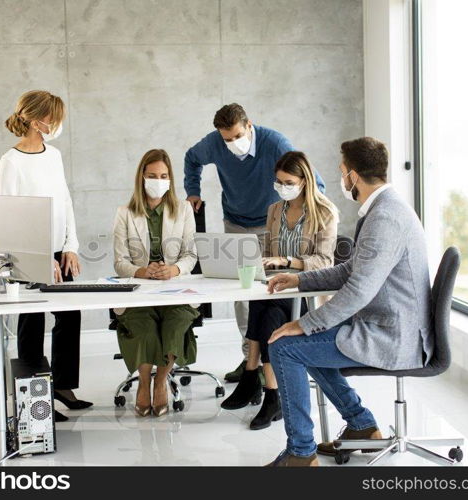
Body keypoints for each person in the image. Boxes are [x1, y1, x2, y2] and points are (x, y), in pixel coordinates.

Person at [263, 137, 435, 466]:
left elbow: (359, 290)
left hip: (394, 336)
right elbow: (351, 269)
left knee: (285, 346)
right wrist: (299, 278)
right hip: (387, 323)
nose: (341, 179)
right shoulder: (385, 209)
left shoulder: (385, 218)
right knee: (301, 342)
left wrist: (304, 322)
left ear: (353, 176)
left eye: (343, 171)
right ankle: (361, 425)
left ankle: (300, 456)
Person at [184, 103, 326, 382]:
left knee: (271, 293)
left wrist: (306, 219)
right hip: (236, 222)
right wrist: (193, 190)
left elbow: (312, 181)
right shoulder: (214, 143)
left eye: (237, 136)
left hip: (271, 223)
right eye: (227, 140)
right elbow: (192, 158)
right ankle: (250, 358)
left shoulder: (275, 143)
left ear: (250, 125)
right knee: (243, 293)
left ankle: (275, 359)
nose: (232, 144)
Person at [220, 151, 338, 431]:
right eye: (278, 181)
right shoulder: (275, 210)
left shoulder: (325, 212)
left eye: (288, 182)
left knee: (267, 311)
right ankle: (269, 393)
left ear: (305, 181)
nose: (282, 186)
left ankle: (255, 380)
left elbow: (325, 261)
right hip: (277, 287)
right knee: (264, 306)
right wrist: (252, 260)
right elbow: (266, 252)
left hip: (305, 293)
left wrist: (288, 262)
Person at [0, 90, 92, 422]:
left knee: (69, 316)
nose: (60, 123)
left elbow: (64, 201)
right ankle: (36, 401)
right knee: (32, 322)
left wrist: (70, 246)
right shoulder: (11, 161)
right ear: (39, 120)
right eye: (56, 117)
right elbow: (9, 216)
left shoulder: (53, 155)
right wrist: (37, 255)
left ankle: (63, 386)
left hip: (58, 251)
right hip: (29, 254)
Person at [113, 149, 200, 417]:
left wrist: (173, 269)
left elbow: (191, 254)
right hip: (139, 289)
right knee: (144, 326)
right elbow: (119, 262)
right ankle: (142, 383)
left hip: (175, 288)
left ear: (170, 179)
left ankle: (160, 381)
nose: (158, 180)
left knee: (174, 324)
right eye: (152, 175)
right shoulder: (125, 212)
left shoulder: (183, 209)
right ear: (142, 177)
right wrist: (142, 271)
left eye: (164, 176)